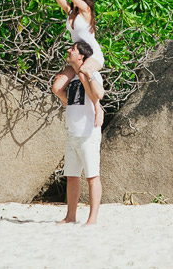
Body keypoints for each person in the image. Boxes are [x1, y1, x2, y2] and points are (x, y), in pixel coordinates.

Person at [52, 41, 104, 225]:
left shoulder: (92, 74)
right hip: (72, 134)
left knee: (92, 176)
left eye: (72, 49)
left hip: (88, 134)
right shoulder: (73, 78)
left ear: (81, 56)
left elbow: (99, 93)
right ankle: (70, 216)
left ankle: (92, 219)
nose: (68, 50)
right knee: (72, 176)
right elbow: (60, 91)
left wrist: (89, 74)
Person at [34, 0, 104, 79]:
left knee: (83, 71)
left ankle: (96, 94)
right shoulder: (70, 11)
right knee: (57, 86)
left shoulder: (86, 10)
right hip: (78, 56)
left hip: (92, 55)